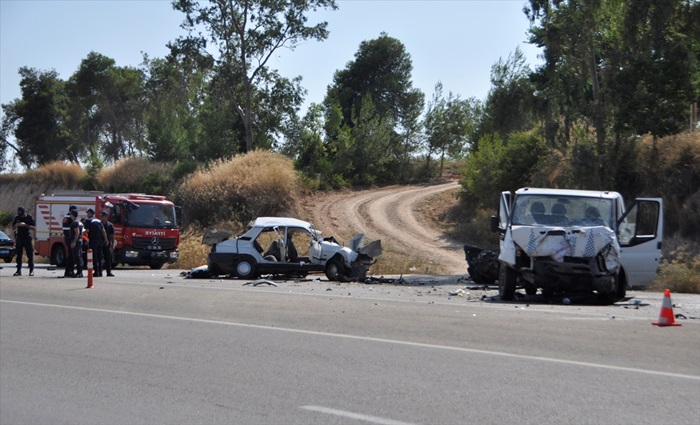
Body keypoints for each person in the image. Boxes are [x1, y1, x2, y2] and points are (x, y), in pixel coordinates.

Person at [12, 206, 35, 276]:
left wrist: (25, 225)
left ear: (24, 212)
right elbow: (13, 228)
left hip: (27, 237)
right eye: (19, 214)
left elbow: (34, 227)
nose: (21, 215)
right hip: (19, 237)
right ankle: (18, 270)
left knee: (30, 254)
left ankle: (31, 270)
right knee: (19, 255)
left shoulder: (29, 217)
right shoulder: (17, 218)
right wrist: (17, 225)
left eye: (21, 214)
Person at [86, 208, 107, 277]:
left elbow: (87, 231)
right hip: (100, 241)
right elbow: (103, 231)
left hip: (93, 240)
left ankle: (96, 272)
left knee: (94, 256)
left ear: (90, 214)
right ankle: (100, 271)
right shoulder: (98, 220)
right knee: (100, 256)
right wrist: (106, 239)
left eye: (88, 213)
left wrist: (82, 234)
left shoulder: (88, 221)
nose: (87, 214)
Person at [62, 205, 78, 277]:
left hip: (66, 237)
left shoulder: (66, 216)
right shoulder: (70, 218)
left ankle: (68, 271)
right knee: (71, 255)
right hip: (70, 237)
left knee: (70, 255)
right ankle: (69, 271)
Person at [69, 209, 84, 278]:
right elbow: (82, 233)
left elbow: (77, 232)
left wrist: (74, 242)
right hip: (80, 240)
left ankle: (79, 272)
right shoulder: (80, 222)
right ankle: (80, 272)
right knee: (79, 256)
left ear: (72, 215)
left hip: (77, 241)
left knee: (77, 257)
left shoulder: (75, 223)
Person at [100, 211, 115, 277]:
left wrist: (112, 244)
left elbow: (112, 235)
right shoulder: (99, 224)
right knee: (99, 258)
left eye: (102, 216)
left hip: (107, 243)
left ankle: (108, 272)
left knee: (108, 258)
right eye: (101, 216)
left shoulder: (110, 225)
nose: (101, 217)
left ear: (106, 217)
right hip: (100, 242)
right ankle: (99, 272)